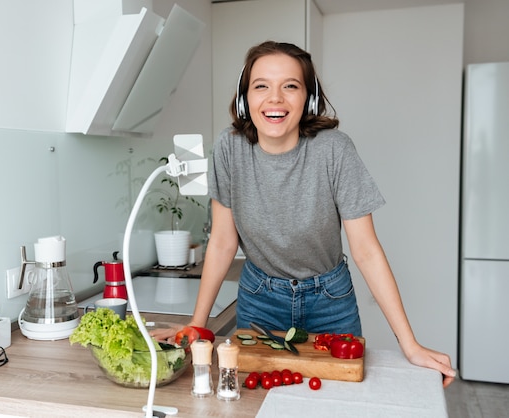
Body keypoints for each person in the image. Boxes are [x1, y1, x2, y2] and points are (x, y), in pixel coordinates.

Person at [153, 40, 455, 387]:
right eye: (261, 85)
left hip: (330, 299)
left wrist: (410, 344)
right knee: (254, 401)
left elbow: (366, 250)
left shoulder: (334, 150)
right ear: (244, 98)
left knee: (337, 399)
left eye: (290, 86)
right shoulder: (228, 147)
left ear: (308, 99)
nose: (275, 98)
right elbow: (222, 242)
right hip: (259, 300)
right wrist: (198, 324)